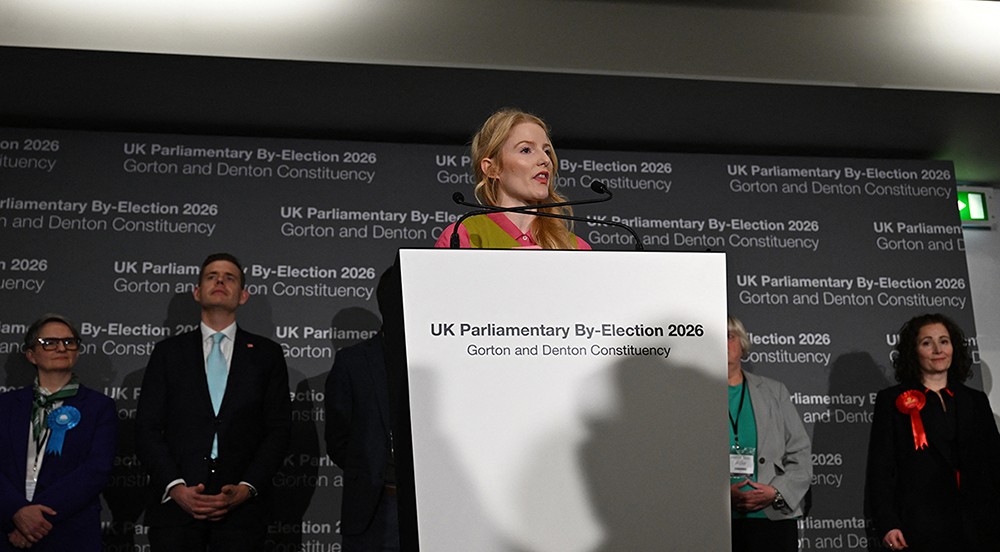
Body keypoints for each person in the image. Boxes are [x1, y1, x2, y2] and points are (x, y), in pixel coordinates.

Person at [135, 253, 291, 551]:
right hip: (175, 514)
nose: (220, 281)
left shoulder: (266, 355)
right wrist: (177, 488)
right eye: (211, 276)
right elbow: (147, 428)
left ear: (243, 296)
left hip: (242, 516)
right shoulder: (168, 353)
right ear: (197, 292)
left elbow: (279, 430)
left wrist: (245, 489)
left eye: (229, 277)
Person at [865, 313, 1000, 551]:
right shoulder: (892, 401)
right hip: (920, 527)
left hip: (978, 527)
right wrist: (888, 523)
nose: (938, 349)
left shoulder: (975, 400)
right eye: (927, 342)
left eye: (944, 341)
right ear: (913, 351)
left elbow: (994, 463)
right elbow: (881, 469)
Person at [0, 314, 117, 551]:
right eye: (49, 343)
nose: (61, 347)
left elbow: (96, 470)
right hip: (9, 530)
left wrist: (35, 519)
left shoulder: (99, 406)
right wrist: (16, 513)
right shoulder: (6, 405)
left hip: (70, 531)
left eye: (69, 342)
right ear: (31, 354)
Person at [434, 108, 591, 250]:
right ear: (492, 168)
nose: (545, 160)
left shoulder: (576, 247)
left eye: (547, 151)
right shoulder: (463, 236)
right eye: (526, 150)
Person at [324, 271, 398, 551]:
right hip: (374, 509)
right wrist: (373, 468)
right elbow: (339, 440)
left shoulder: (443, 357)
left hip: (436, 507)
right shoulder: (352, 362)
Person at [727, 316, 811, 552]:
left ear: (742, 345)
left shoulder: (774, 391)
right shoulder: (693, 397)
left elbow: (800, 453)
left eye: (728, 336)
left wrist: (776, 492)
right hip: (714, 520)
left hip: (772, 518)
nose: (722, 344)